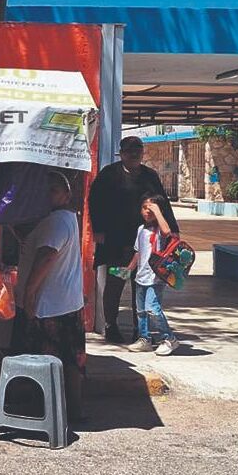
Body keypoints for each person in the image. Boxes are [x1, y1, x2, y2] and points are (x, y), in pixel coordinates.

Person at [15, 170, 86, 420]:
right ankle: (71, 412)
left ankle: (49, 413)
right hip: (65, 302)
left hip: (49, 306)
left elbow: (47, 256)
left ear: (66, 195)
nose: (47, 195)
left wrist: (29, 293)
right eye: (43, 191)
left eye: (53, 190)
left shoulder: (56, 221)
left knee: (48, 362)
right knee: (69, 361)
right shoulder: (64, 219)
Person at [88, 135, 173, 343]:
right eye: (129, 151)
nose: (134, 154)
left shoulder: (150, 176)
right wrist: (98, 230)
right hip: (116, 242)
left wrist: (173, 230)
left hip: (144, 243)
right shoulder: (109, 174)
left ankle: (140, 329)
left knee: (141, 285)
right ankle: (111, 325)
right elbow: (94, 201)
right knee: (116, 283)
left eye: (138, 150)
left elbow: (163, 203)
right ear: (122, 153)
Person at [126, 193, 182, 356]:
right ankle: (145, 339)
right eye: (144, 208)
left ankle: (169, 338)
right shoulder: (141, 230)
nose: (147, 212)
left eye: (151, 209)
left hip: (155, 278)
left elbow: (167, 231)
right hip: (141, 277)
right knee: (141, 310)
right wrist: (129, 269)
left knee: (153, 309)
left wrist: (157, 211)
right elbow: (138, 252)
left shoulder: (160, 231)